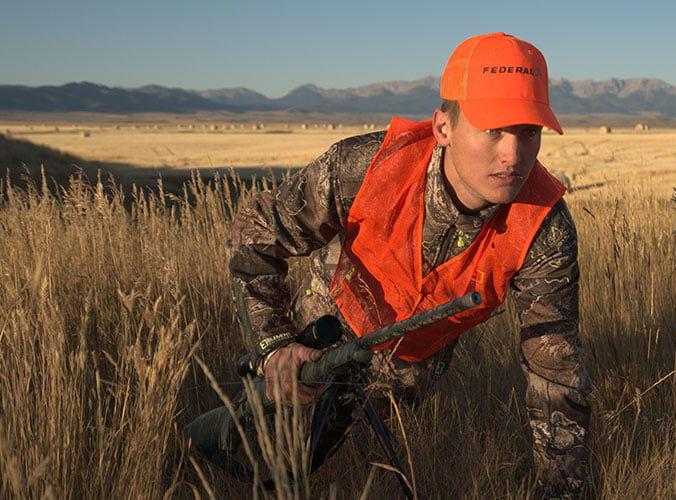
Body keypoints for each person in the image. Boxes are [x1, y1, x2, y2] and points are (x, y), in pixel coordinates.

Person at [220, 32, 590, 497]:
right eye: (493, 129)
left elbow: (555, 376)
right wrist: (273, 346)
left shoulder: (544, 229)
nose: (512, 155)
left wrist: (563, 491)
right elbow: (255, 236)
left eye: (528, 132)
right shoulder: (367, 165)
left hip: (407, 376)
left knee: (371, 481)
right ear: (443, 128)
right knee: (256, 462)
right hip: (313, 338)